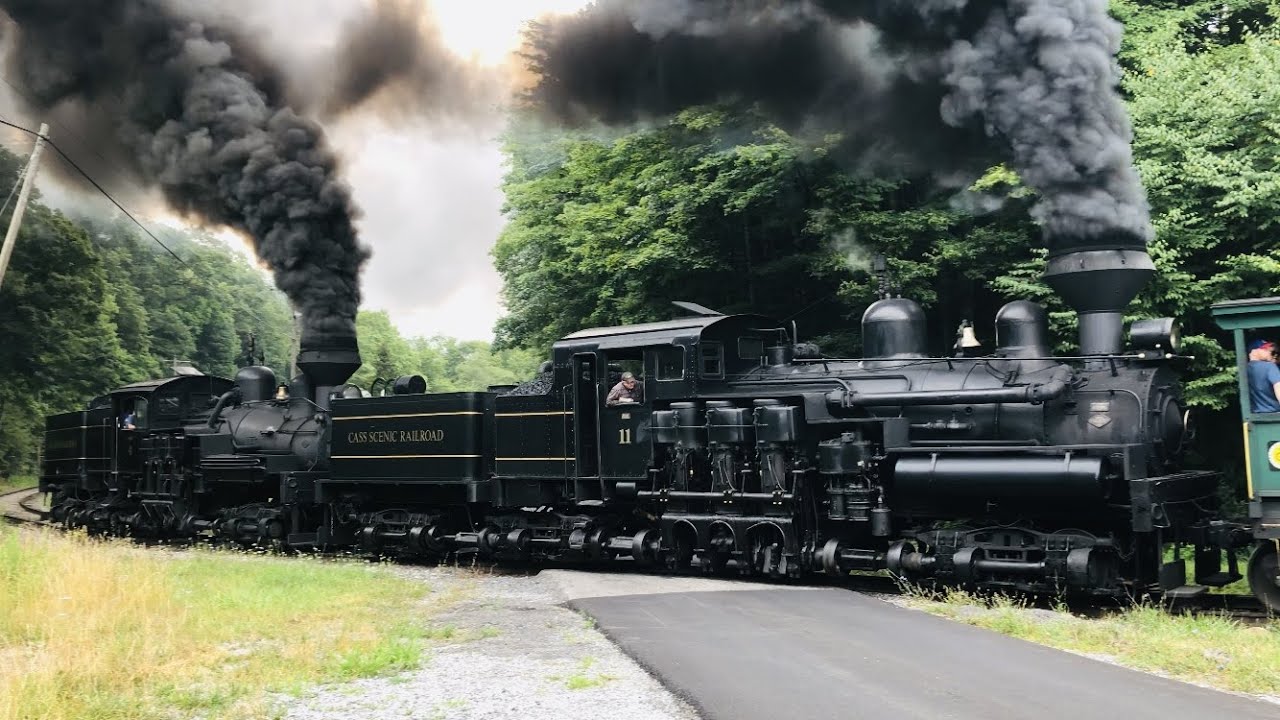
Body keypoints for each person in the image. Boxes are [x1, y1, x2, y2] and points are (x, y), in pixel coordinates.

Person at [1247, 339, 1280, 413]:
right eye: (1265, 349)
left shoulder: (1245, 368)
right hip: (1275, 413)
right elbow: (1278, 386)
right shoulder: (1270, 367)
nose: (1270, 352)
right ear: (1254, 351)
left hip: (1256, 415)